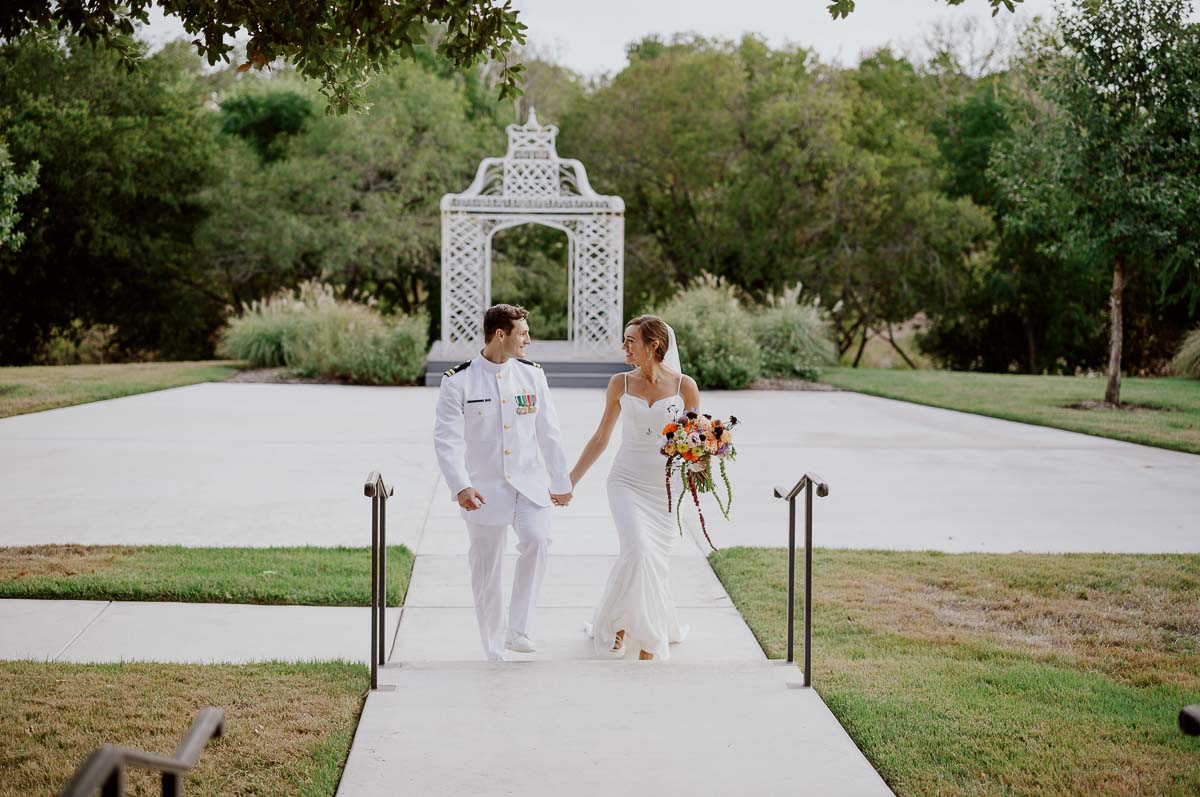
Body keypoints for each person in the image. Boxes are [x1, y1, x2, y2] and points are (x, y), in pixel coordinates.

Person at [434, 304, 573, 661]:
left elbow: (549, 432)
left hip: (529, 485)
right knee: (487, 569)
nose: (529, 339)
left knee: (538, 541)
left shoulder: (532, 375)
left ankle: (518, 628)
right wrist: (460, 486)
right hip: (483, 491)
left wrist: (561, 481)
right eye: (523, 333)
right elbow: (446, 439)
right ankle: (494, 646)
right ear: (501, 335)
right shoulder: (458, 380)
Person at [570, 314, 700, 660]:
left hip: (667, 489)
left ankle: (622, 624)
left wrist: (701, 460)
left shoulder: (684, 386)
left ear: (653, 345)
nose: (625, 347)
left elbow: (696, 441)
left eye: (631, 341)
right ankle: (638, 632)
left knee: (651, 560)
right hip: (626, 481)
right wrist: (569, 481)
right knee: (639, 552)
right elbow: (601, 438)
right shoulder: (619, 384)